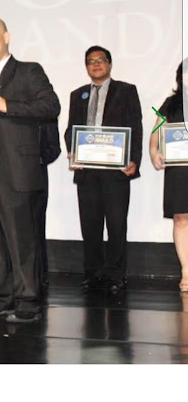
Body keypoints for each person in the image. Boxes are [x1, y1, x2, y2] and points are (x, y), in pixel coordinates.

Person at [0, 18, 60, 323]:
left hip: (17, 166)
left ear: (6, 37)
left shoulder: (28, 71)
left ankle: (28, 299)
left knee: (22, 238)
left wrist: (9, 105)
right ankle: (2, 296)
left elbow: (51, 106)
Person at [64, 45, 142, 294]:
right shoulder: (78, 94)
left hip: (116, 171)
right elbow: (70, 130)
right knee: (90, 227)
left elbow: (136, 127)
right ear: (86, 66)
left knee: (117, 226)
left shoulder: (126, 91)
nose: (96, 64)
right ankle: (93, 274)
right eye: (91, 61)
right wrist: (73, 151)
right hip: (87, 171)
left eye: (101, 60)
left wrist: (134, 160)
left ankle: (116, 275)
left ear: (109, 64)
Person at [149, 63, 188, 290]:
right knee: (181, 219)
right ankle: (186, 272)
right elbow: (157, 130)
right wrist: (154, 150)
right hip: (179, 170)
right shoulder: (170, 103)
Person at [36, 120, 61, 286]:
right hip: (1, 174)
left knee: (35, 228)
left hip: (34, 177)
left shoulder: (44, 109)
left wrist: (33, 159)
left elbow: (53, 148)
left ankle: (38, 276)